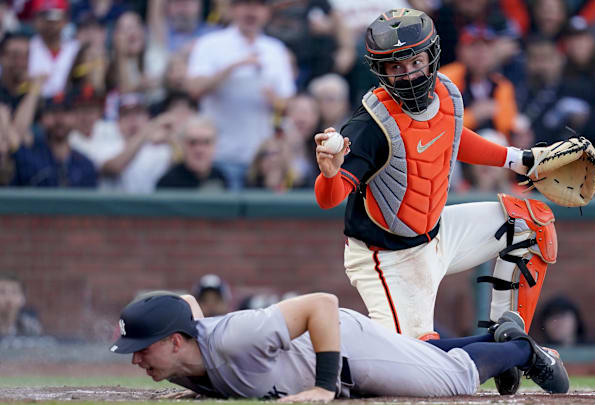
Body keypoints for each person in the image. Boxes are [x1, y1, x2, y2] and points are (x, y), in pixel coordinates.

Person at [314, 8, 560, 394]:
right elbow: (330, 199)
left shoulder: (447, 93)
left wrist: (520, 159)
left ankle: (506, 335)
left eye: (415, 60)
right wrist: (329, 173)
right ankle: (512, 351)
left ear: (431, 55)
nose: (409, 72)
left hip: (437, 230)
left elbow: (456, 139)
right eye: (397, 66)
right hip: (387, 257)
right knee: (418, 370)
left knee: (530, 222)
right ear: (381, 70)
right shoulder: (368, 126)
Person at [109, 292, 570, 400]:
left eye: (143, 346)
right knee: (430, 360)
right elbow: (187, 305)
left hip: (345, 349)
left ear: (174, 341)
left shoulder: (234, 337)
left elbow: (322, 305)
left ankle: (524, 350)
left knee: (455, 382)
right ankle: (495, 337)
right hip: (334, 351)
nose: (136, 357)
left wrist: (325, 386)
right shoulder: (186, 351)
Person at [186, 0, 296, 190]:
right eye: (245, 4)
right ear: (233, 9)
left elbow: (289, 103)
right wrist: (232, 68)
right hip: (218, 156)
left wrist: (276, 102)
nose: (251, 11)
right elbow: (193, 89)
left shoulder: (275, 49)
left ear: (267, 12)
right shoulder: (210, 44)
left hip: (261, 161)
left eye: (258, 5)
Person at [156, 115, 228, 190]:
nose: (199, 149)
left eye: (206, 142)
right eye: (193, 142)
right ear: (182, 145)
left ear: (215, 145)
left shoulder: (220, 177)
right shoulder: (167, 183)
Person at [0, 272, 43, 338]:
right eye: (2, 292)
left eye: (14, 292)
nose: (8, 298)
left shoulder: (30, 326)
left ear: (23, 299)